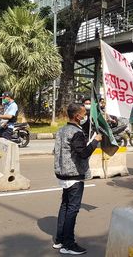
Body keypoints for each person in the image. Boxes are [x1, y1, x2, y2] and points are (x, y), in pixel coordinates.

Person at [53, 103, 102, 255]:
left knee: (65, 206)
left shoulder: (62, 130)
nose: (84, 115)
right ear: (77, 116)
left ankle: (60, 239)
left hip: (62, 174)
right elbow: (83, 153)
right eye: (83, 113)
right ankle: (68, 244)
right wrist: (95, 141)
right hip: (73, 176)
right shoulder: (76, 132)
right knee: (72, 209)